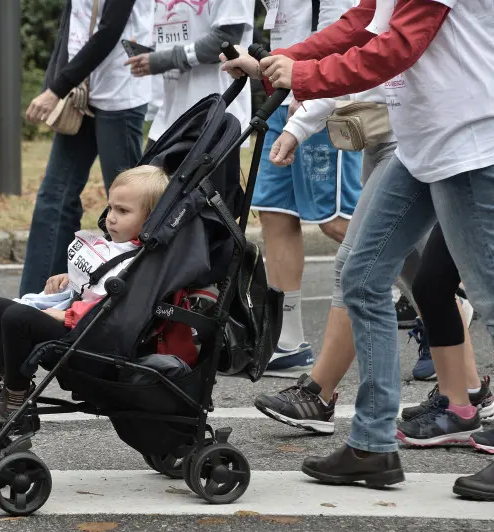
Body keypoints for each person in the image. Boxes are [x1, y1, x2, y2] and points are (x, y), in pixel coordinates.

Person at [222, 0, 494, 499]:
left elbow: (399, 46)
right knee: (363, 278)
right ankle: (372, 447)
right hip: (422, 144)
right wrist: (279, 62)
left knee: (490, 297)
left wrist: (305, 72)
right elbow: (362, 24)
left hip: (471, 143)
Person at [0, 165, 197, 434]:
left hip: (98, 346)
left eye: (123, 211)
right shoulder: (118, 247)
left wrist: (67, 315)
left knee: (16, 318)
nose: (111, 218)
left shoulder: (146, 264)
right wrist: (71, 282)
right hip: (82, 330)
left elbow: (122, 312)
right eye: (111, 208)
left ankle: (14, 405)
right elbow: (100, 284)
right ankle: (14, 390)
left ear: (151, 218)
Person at [246, 0, 364, 378]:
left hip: (322, 98)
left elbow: (345, 37)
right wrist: (259, 67)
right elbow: (292, 32)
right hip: (284, 95)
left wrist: (310, 92)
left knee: (337, 221)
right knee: (275, 213)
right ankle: (286, 342)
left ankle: (439, 296)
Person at [19, 0, 154, 297]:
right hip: (81, 94)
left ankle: (130, 302)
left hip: (120, 95)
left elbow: (109, 31)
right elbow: (70, 25)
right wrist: (58, 83)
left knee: (127, 208)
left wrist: (56, 89)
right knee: (54, 199)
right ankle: (36, 301)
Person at [125, 0, 255, 149]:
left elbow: (225, 41)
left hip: (213, 117)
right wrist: (147, 55)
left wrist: (161, 60)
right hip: (168, 117)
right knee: (147, 171)